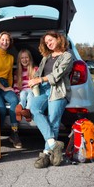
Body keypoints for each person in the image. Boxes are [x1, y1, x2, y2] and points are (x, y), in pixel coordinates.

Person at [28, 31, 73, 169]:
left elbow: (57, 74)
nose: (49, 43)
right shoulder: (46, 57)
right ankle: (54, 144)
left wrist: (39, 79)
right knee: (34, 109)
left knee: (53, 120)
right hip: (43, 89)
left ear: (58, 39)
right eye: (46, 43)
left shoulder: (67, 56)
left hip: (58, 90)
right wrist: (33, 80)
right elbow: (39, 73)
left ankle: (46, 155)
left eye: (50, 40)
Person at [0, 32, 21, 149]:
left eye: (7, 40)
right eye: (3, 40)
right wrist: (3, 87)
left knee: (14, 100)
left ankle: (14, 133)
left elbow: (10, 75)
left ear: (10, 43)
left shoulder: (11, 58)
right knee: (0, 108)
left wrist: (10, 87)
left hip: (5, 85)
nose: (5, 42)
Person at [13, 49, 38, 122]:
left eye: (26, 57)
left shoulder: (35, 69)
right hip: (23, 90)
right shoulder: (17, 72)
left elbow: (38, 83)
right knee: (23, 94)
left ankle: (27, 111)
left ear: (30, 58)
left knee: (30, 94)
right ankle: (20, 108)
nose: (24, 60)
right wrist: (17, 94)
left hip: (32, 90)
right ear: (19, 60)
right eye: (22, 58)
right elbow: (16, 85)